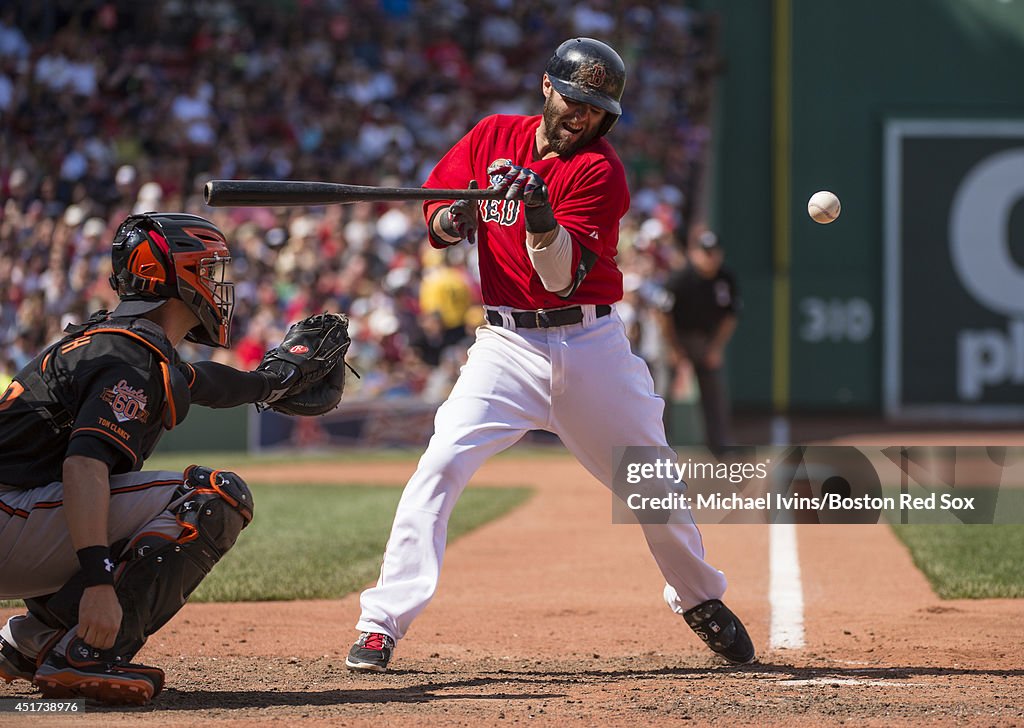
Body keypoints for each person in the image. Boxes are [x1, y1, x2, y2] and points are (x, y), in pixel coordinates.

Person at [346, 38, 754, 674]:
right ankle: (382, 622)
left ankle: (699, 597)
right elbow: (434, 215)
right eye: (575, 101)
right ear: (546, 87)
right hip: (507, 345)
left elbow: (560, 278)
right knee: (441, 464)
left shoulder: (599, 170)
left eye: (596, 109)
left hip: (590, 346)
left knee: (651, 482)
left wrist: (540, 218)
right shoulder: (490, 136)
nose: (582, 117)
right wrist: (455, 217)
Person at [0, 213, 319, 705]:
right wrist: (99, 583)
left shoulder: (118, 343)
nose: (217, 286)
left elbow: (201, 381)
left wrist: (269, 383)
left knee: (125, 508)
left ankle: (32, 642)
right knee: (211, 498)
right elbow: (83, 467)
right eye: (208, 271)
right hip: (8, 522)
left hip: (13, 519)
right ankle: (82, 655)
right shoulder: (129, 355)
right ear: (175, 276)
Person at [659, 227, 740, 456]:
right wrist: (674, 349)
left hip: (706, 340)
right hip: (675, 336)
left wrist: (715, 348)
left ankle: (720, 448)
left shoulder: (725, 278)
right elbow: (663, 314)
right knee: (662, 394)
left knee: (714, 393)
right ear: (695, 253)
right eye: (705, 252)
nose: (710, 257)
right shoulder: (681, 277)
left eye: (714, 252)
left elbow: (730, 316)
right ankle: (660, 449)